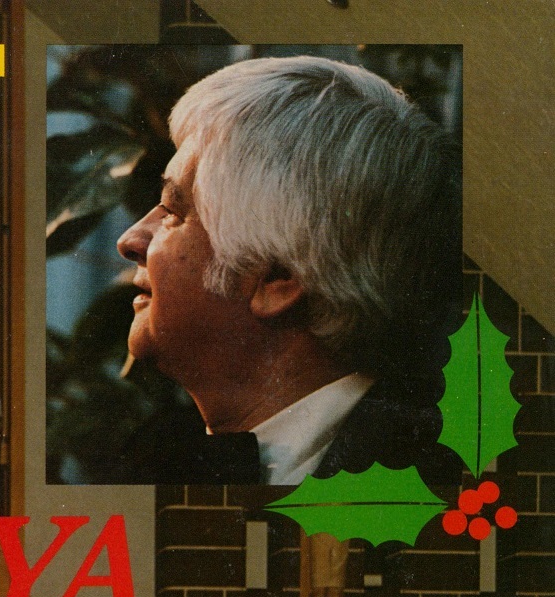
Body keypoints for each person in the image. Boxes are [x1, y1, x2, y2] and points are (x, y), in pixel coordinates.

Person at [111, 55, 460, 486]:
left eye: (173, 211)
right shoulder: (172, 463)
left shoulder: (433, 484)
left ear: (278, 279)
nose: (129, 240)